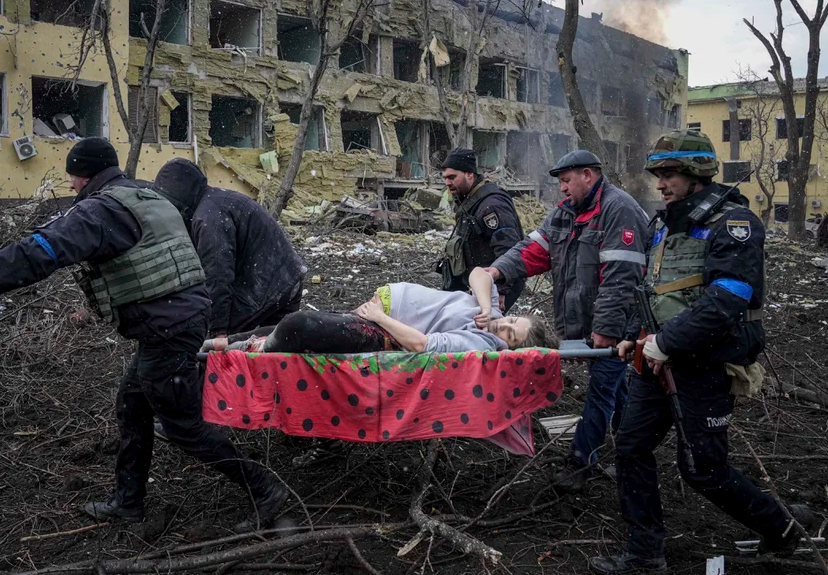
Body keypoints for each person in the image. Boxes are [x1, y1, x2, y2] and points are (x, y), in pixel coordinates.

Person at [0, 138, 287, 532]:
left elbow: (37, 253)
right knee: (132, 405)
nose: (69, 186)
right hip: (176, 319)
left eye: (71, 177)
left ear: (83, 175)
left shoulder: (100, 211)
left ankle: (265, 489)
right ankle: (127, 502)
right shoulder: (145, 194)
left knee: (183, 425)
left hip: (167, 326)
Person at [589, 130, 814, 575]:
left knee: (702, 469)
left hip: (704, 365)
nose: (660, 183)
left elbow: (728, 297)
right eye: (659, 174)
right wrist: (637, 337)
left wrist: (665, 343)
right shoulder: (665, 224)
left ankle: (783, 528)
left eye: (669, 173)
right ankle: (644, 553)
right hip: (655, 363)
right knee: (631, 446)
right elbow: (655, 293)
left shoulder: (734, 224)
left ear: (696, 174)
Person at [485, 149, 648, 493]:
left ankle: (581, 460)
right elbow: (532, 251)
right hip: (586, 324)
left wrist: (605, 329)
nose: (561, 188)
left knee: (603, 387)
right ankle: (631, 447)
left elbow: (622, 277)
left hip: (617, 325)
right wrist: (497, 271)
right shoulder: (564, 214)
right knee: (615, 386)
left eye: (566, 180)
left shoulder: (619, 210)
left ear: (588, 175)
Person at [152, 158, 307, 347]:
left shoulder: (208, 218)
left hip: (268, 286)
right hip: (285, 277)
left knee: (216, 346)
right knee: (272, 350)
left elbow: (217, 275)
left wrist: (218, 331)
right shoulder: (214, 202)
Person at [222, 268, 552, 354]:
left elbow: (423, 345)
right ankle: (219, 343)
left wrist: (380, 318)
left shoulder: (481, 344)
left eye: (510, 335)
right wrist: (485, 306)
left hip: (383, 331)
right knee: (294, 325)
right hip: (380, 311)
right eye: (510, 321)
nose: (501, 327)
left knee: (299, 325)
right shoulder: (489, 313)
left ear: (510, 350)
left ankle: (241, 349)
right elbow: (480, 273)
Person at [439, 147, 525, 312]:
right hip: (479, 282)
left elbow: (508, 248)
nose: (447, 183)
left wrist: (501, 289)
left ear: (470, 174)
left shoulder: (491, 205)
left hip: (495, 284)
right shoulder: (470, 200)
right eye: (445, 178)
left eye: (452, 177)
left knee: (485, 330)